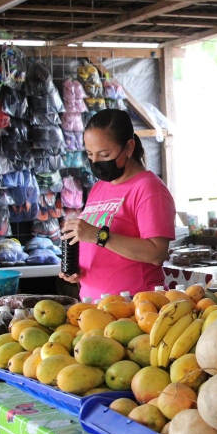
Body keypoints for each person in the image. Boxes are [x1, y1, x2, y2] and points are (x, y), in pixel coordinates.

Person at [60, 109, 176, 297]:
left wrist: (98, 236)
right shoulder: (99, 188)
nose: (96, 162)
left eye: (104, 155)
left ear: (129, 147)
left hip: (136, 306)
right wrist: (78, 271)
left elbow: (156, 253)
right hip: (94, 307)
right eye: (90, 155)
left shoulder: (148, 189)